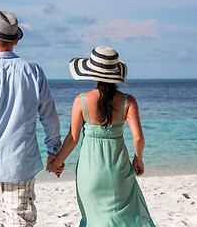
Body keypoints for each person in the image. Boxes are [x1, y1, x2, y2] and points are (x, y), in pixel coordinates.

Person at [0, 11, 63, 227]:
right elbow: (49, 116)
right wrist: (54, 152)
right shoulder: (33, 71)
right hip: (22, 162)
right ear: (16, 41)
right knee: (20, 221)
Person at [47, 47, 155, 226]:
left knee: (93, 220)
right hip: (119, 172)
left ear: (92, 73)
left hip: (90, 174)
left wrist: (55, 164)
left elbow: (72, 138)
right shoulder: (128, 101)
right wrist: (138, 159)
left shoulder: (81, 101)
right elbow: (138, 138)